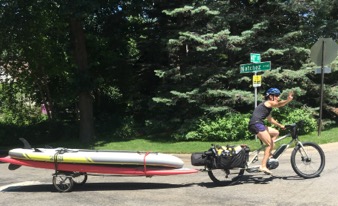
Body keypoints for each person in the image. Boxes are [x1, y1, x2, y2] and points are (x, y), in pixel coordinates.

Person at [248, 87, 293, 175]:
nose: (278, 97)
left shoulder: (267, 108)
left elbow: (270, 120)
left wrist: (281, 126)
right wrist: (288, 100)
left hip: (257, 124)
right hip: (256, 124)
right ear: (270, 96)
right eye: (276, 96)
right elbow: (279, 104)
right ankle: (263, 166)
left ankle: (269, 152)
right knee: (269, 144)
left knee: (276, 132)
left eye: (278, 96)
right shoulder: (268, 103)